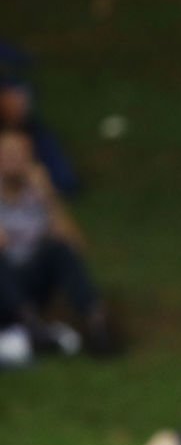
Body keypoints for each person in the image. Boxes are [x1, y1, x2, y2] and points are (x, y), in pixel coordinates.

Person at [0, 131, 110, 355]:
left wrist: (49, 199)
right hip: (5, 285)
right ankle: (31, 326)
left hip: (32, 278)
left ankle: (97, 323)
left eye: (19, 155)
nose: (14, 161)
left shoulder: (39, 194)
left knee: (60, 250)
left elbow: (75, 245)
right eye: (7, 155)